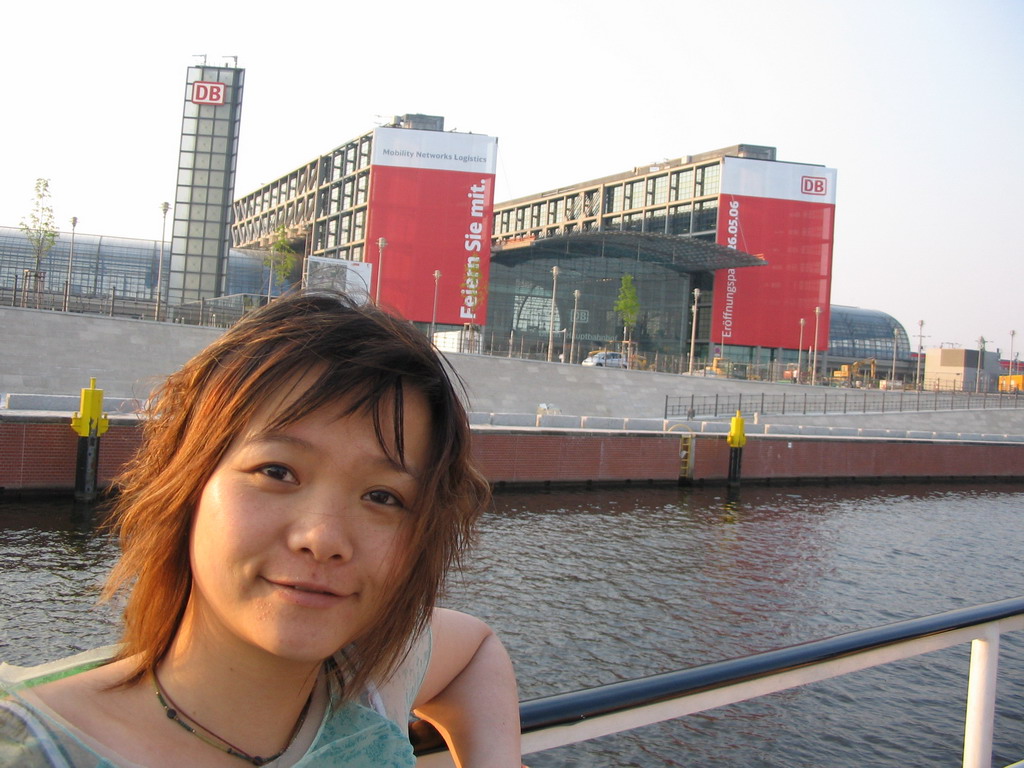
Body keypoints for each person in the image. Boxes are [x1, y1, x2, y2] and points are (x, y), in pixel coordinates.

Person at [0, 291, 521, 767]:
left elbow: (475, 650)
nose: (323, 539)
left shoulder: (366, 684)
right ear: (188, 480)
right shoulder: (37, 750)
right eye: (277, 472)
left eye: (383, 497)